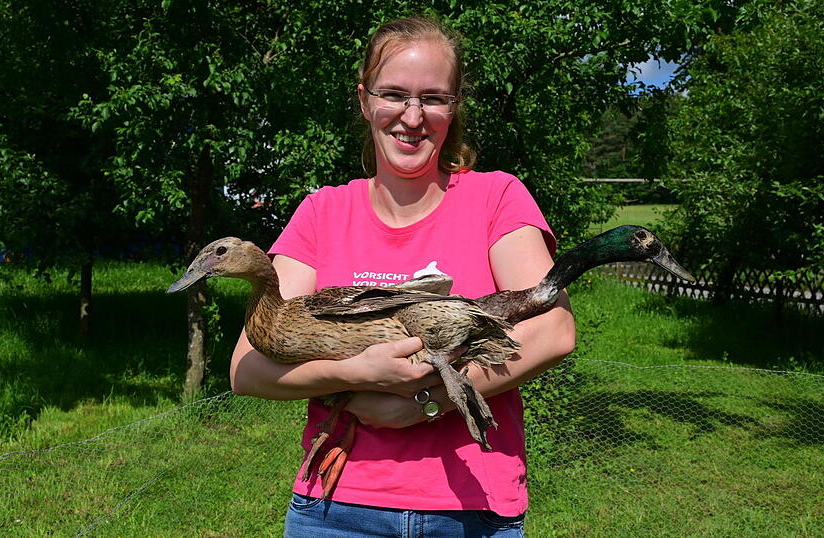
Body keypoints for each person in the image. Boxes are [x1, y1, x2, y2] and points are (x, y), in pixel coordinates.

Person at [229, 16, 575, 537]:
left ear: (454, 109)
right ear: (365, 100)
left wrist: (424, 403)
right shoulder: (323, 211)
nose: (412, 117)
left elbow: (553, 331)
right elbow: (246, 369)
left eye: (433, 98)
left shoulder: (496, 198)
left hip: (471, 508)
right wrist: (358, 375)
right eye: (394, 94)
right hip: (336, 510)